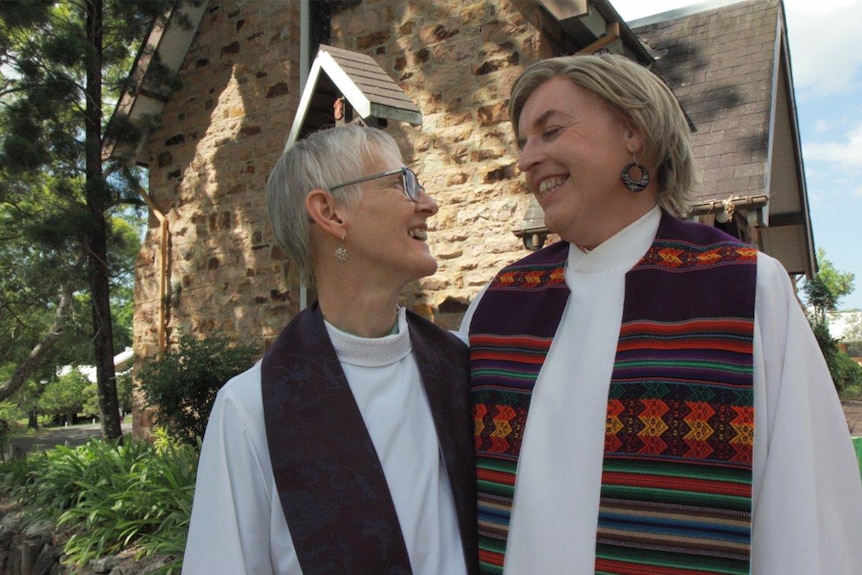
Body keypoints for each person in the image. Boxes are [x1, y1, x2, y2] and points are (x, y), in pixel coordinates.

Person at [460, 53, 862, 575]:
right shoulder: (499, 303)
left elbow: (807, 516)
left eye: (550, 131)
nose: (527, 159)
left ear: (634, 133)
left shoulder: (742, 288)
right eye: (523, 143)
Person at [183, 124, 478, 575]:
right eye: (403, 183)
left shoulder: (461, 365)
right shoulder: (251, 408)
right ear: (330, 213)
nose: (429, 204)